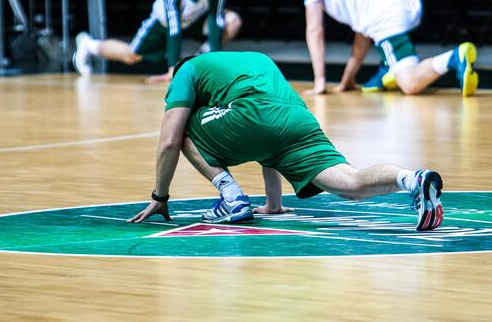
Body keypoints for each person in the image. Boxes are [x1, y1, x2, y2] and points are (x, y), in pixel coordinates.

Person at [127, 51, 444, 232]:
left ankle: (231, 196)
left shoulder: (188, 70)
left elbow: (170, 141)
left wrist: (161, 195)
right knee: (353, 183)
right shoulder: (252, 60)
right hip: (297, 120)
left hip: (252, 115)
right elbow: (269, 140)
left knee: (180, 126)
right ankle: (411, 179)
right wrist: (273, 206)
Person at [269, 0, 478, 96]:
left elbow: (314, 30)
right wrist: (347, 80)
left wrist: (320, 81)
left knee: (409, 84)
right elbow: (362, 37)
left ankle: (453, 58)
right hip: (401, 6)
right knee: (379, 46)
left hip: (387, 16)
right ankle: (387, 69)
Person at [73, 0, 242, 83]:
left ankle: (200, 62)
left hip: (196, 20)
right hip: (164, 24)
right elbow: (173, 28)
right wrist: (172, 68)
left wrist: (213, 61)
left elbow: (215, 19)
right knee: (130, 55)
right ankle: (89, 45)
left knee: (232, 21)